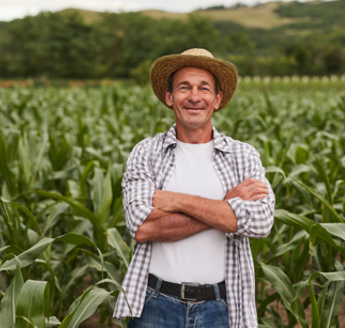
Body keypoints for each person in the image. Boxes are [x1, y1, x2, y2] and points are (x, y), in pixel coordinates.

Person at [113, 48, 275, 328]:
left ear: (217, 99)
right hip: (155, 304)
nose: (194, 97)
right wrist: (227, 208)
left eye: (204, 88)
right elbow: (142, 228)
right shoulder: (147, 152)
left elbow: (261, 222)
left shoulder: (243, 155)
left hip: (222, 307)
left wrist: (175, 200)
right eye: (184, 87)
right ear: (169, 97)